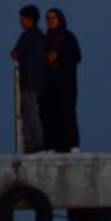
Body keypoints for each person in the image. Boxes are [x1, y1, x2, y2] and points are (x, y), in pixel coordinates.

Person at [39, 8, 82, 152]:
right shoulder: (45, 40)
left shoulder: (68, 37)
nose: (50, 21)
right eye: (48, 18)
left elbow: (76, 56)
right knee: (49, 115)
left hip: (66, 85)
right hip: (49, 86)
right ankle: (52, 146)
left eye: (53, 18)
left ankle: (72, 145)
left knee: (67, 114)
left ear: (60, 19)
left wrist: (58, 56)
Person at [9, 4, 46, 153]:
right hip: (40, 80)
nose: (20, 22)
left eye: (22, 19)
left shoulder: (27, 36)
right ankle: (34, 143)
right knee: (32, 112)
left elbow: (15, 54)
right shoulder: (41, 36)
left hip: (29, 80)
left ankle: (37, 144)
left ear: (28, 19)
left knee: (29, 113)